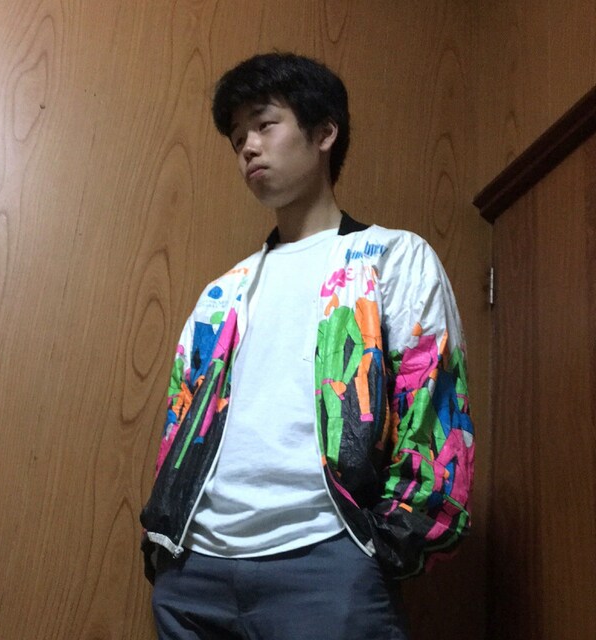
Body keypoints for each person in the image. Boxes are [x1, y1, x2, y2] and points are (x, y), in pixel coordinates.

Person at [140, 52, 474, 640]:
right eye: (237, 137)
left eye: (264, 125)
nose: (248, 147)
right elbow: (180, 421)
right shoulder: (222, 294)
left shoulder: (391, 258)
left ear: (324, 133)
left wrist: (386, 547)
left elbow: (434, 409)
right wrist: (166, 548)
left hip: (327, 565)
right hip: (196, 574)